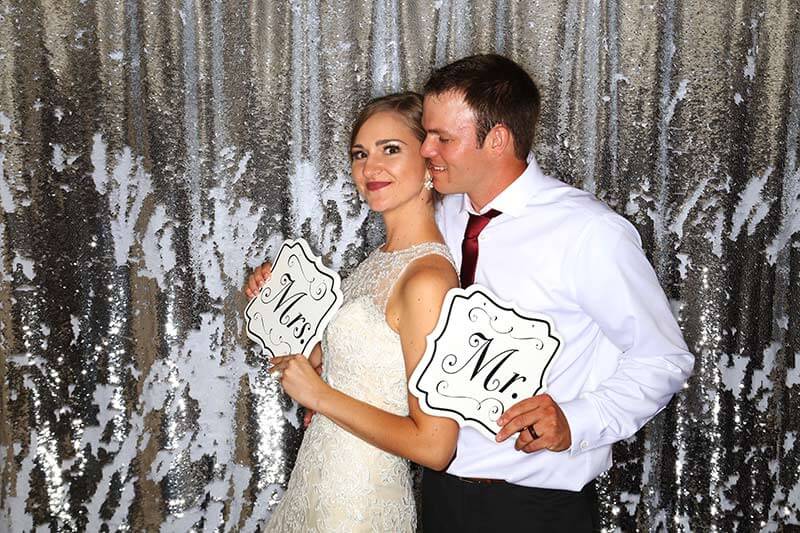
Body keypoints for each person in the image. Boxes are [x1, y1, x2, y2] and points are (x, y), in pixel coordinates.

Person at [417, 54, 695, 532]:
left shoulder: (588, 232)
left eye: (443, 137)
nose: (426, 149)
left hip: (536, 509)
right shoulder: (439, 217)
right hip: (437, 494)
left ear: (498, 140)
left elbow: (664, 358)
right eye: (426, 133)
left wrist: (578, 421)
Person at [246, 92, 460, 532]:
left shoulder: (427, 279)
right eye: (360, 154)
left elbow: (435, 446)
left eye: (391, 150)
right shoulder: (377, 260)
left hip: (361, 501)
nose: (370, 167)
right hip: (320, 481)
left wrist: (320, 397)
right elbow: (330, 362)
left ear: (428, 160)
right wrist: (273, 300)